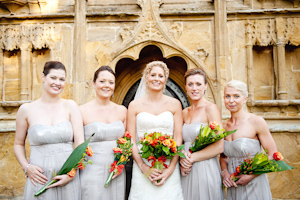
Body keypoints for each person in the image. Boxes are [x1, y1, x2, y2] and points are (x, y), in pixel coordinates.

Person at [14, 61, 84, 200]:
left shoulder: (70, 106)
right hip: (40, 178)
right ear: (43, 77)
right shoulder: (26, 109)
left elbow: (81, 145)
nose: (57, 82)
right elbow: (18, 144)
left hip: (67, 178)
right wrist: (26, 167)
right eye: (53, 77)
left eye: (62, 79)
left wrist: (72, 173)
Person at [128, 61, 184, 200]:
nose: (156, 79)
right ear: (146, 77)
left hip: (168, 163)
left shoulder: (175, 104)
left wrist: (170, 168)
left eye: (161, 75)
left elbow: (178, 139)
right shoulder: (134, 106)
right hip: (143, 164)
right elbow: (131, 140)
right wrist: (143, 167)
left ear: (165, 79)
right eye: (153, 75)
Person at [220, 80, 276, 200]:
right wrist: (224, 173)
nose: (231, 100)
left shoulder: (256, 122)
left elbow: (273, 155)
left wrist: (251, 176)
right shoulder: (223, 127)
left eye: (236, 96)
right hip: (233, 184)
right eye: (227, 96)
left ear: (245, 98)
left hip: (254, 183)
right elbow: (223, 157)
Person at [79, 66, 127, 200]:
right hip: (91, 170)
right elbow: (77, 144)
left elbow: (126, 143)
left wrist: (121, 163)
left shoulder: (122, 110)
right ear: (94, 84)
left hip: (116, 171)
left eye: (111, 82)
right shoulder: (82, 111)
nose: (107, 85)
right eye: (102, 81)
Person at [180, 68, 224, 200]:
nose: (194, 88)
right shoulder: (184, 112)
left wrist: (192, 158)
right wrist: (182, 159)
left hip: (205, 167)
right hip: (185, 169)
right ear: (185, 87)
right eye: (190, 84)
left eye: (198, 84)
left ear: (205, 86)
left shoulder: (211, 108)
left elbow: (219, 146)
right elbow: (179, 142)